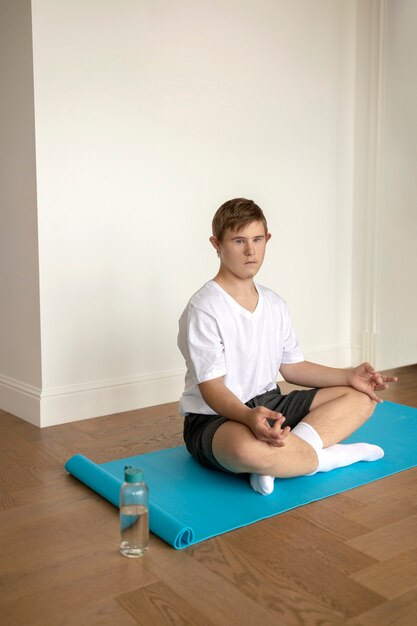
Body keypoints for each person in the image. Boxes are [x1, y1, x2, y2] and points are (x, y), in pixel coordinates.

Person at [177, 198, 397, 495]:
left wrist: (348, 376)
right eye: (239, 241)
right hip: (215, 418)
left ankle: (279, 463)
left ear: (267, 239)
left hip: (270, 404)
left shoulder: (274, 303)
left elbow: (292, 368)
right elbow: (211, 388)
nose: (250, 251)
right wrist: (247, 418)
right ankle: (330, 458)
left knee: (361, 398)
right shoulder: (204, 307)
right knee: (246, 449)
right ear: (217, 244)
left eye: (257, 239)